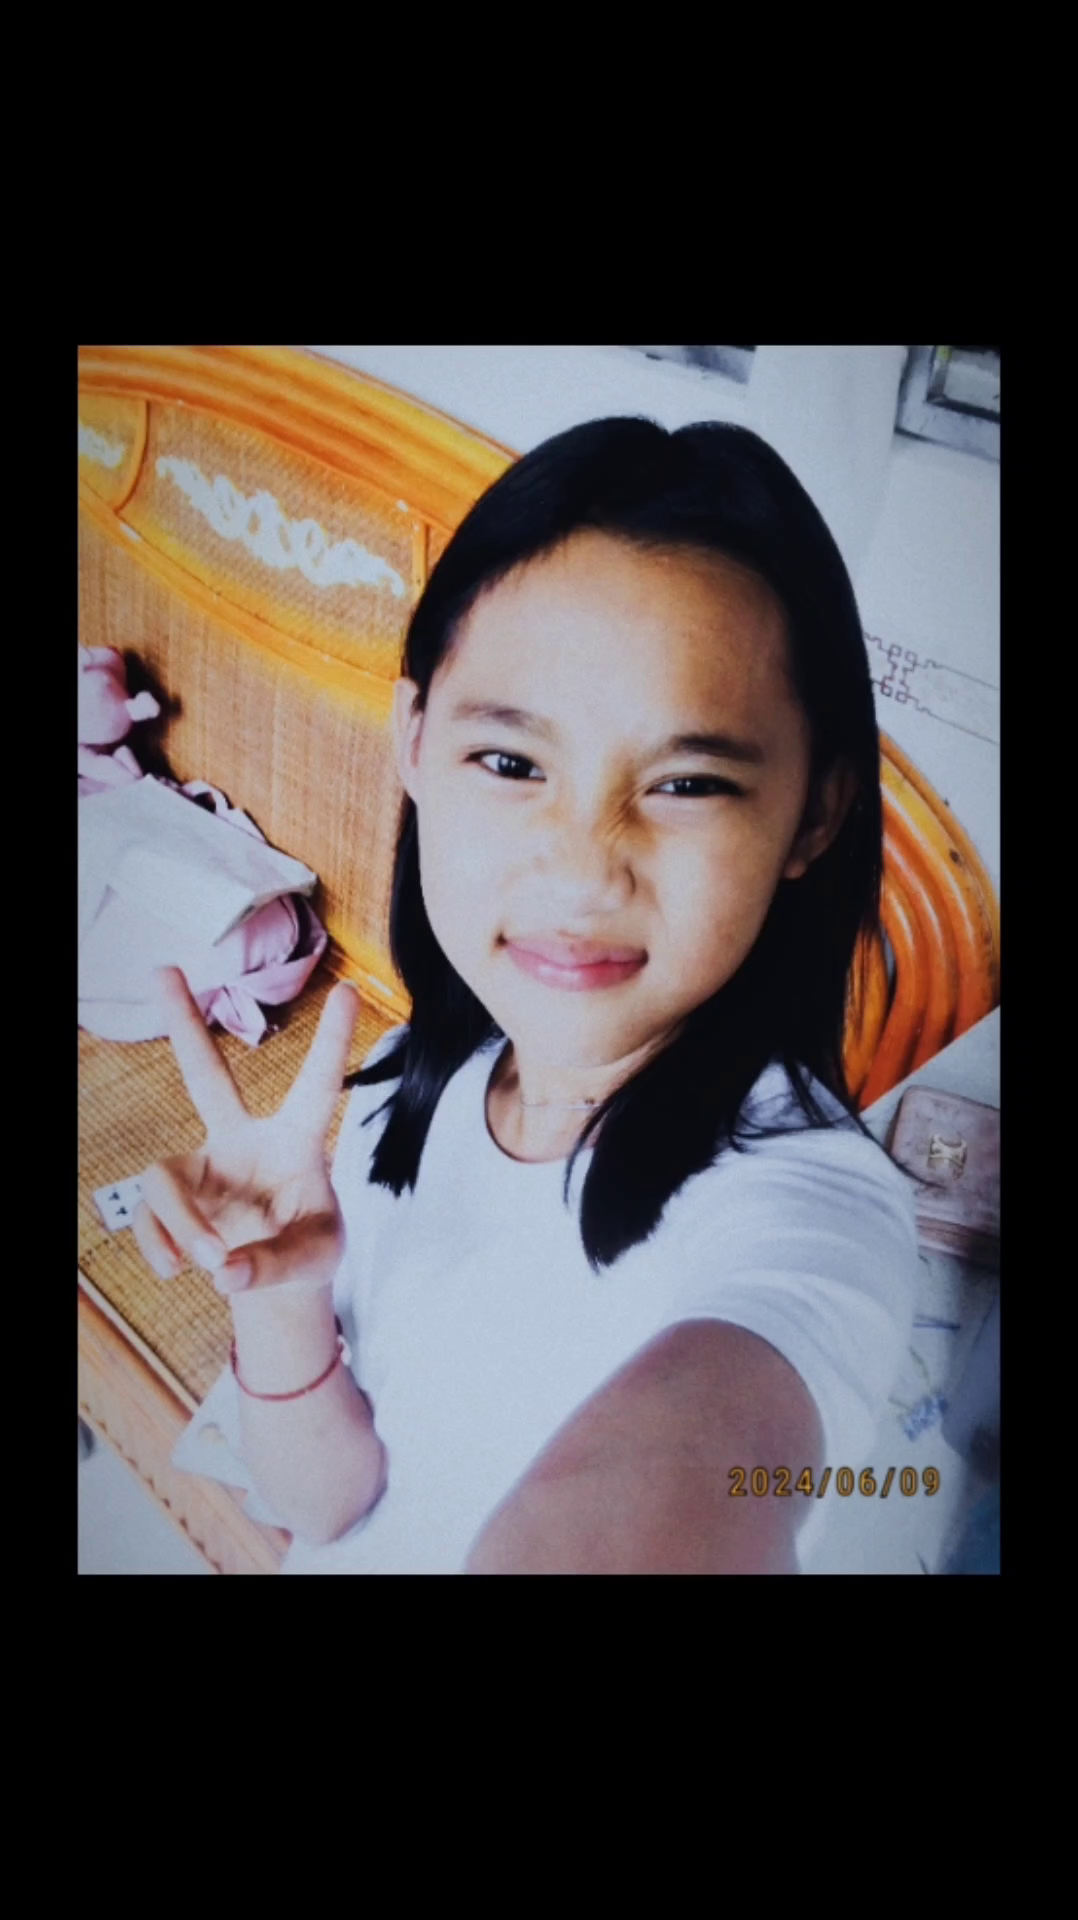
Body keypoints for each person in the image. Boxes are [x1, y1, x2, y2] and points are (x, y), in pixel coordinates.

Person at [135, 417, 918, 1575]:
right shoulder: (409, 1086)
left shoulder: (809, 1212)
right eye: (511, 764)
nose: (583, 871)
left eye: (689, 784)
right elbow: (327, 1506)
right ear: (413, 742)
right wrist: (280, 1299)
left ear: (815, 814)